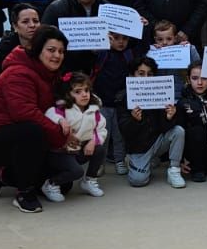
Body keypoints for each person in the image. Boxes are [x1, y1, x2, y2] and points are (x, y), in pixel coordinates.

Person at [0, 26, 77, 214]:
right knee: (32, 131)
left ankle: (0, 174)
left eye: (61, 51)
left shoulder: (51, 74)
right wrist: (60, 136)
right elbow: (24, 113)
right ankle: (24, 192)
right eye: (51, 50)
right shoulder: (18, 73)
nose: (57, 56)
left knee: (64, 184)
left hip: (24, 136)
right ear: (38, 50)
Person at [118, 56, 186, 189]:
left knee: (178, 131)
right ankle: (138, 162)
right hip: (138, 148)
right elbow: (124, 131)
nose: (145, 78)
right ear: (132, 75)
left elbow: (164, 127)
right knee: (138, 181)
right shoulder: (124, 98)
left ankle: (174, 170)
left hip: (157, 141)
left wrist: (169, 117)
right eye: (141, 74)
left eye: (150, 74)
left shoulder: (159, 93)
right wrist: (134, 120)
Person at [42, 71, 107, 201]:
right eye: (78, 92)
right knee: (77, 171)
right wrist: (61, 120)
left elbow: (101, 129)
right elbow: (49, 113)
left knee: (100, 149)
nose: (84, 94)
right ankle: (51, 184)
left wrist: (93, 141)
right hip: (61, 152)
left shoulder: (93, 110)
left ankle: (89, 180)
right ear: (68, 94)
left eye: (86, 90)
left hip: (80, 149)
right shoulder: (63, 108)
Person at [91, 30, 147, 176]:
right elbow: (87, 57)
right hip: (103, 102)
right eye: (115, 38)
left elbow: (142, 46)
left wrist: (142, 27)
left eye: (124, 38)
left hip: (121, 104)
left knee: (119, 135)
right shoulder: (101, 53)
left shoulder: (129, 55)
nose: (121, 42)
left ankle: (120, 161)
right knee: (103, 135)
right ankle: (99, 163)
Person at [44, 0, 105, 74]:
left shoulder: (107, 9)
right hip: (66, 73)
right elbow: (44, 45)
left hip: (101, 74)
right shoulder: (55, 10)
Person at [147, 18, 201, 97]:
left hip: (183, 96)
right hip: (159, 97)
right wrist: (150, 54)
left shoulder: (187, 49)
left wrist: (187, 50)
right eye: (160, 39)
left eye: (169, 39)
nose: (164, 42)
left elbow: (199, 67)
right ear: (155, 39)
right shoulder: (150, 52)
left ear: (175, 38)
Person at [0, 4, 42, 75]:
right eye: (25, 22)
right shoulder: (4, 49)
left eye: (36, 21)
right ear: (15, 26)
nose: (32, 25)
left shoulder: (47, 44)